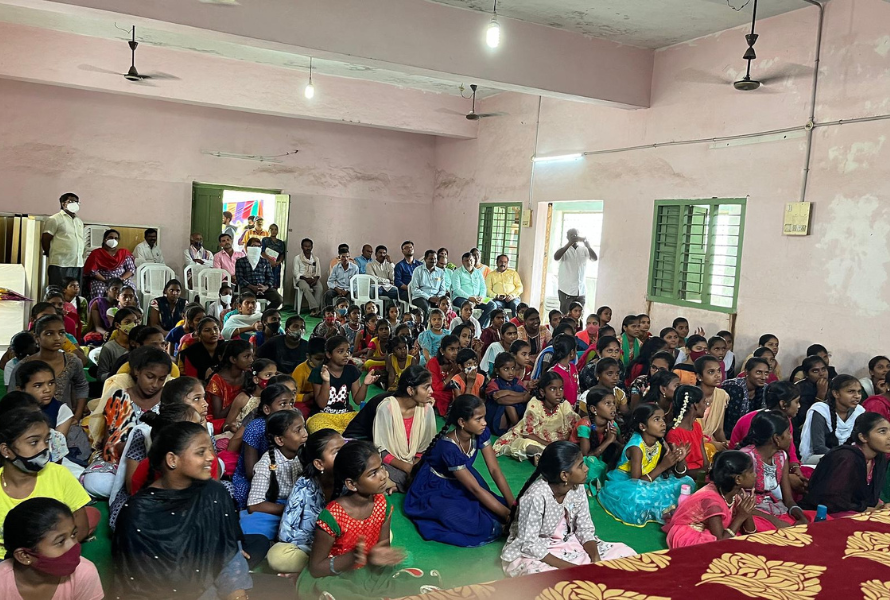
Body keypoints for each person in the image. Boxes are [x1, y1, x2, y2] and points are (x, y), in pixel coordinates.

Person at [113, 422, 251, 599]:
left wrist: (236, 594)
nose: (211, 457)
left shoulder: (215, 493)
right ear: (172, 460)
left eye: (210, 450)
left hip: (211, 588)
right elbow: (139, 584)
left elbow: (229, 553)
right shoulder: (138, 512)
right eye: (201, 452)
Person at [296, 441, 440, 599]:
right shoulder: (332, 516)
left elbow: (383, 544)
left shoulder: (382, 503)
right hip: (336, 576)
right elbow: (316, 568)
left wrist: (380, 553)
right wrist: (352, 557)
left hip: (371, 570)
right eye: (373, 473)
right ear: (352, 484)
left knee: (426, 579)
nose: (384, 475)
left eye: (381, 468)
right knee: (336, 594)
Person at [502, 441, 634, 577]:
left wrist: (596, 559)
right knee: (546, 578)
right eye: (581, 465)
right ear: (564, 475)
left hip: (569, 541)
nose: (586, 468)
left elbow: (585, 528)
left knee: (624, 554)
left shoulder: (577, 486)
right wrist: (572, 569)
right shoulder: (535, 497)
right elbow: (528, 544)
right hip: (537, 550)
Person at [405, 394, 514, 547]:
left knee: (495, 505)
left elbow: (495, 470)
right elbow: (475, 489)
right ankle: (499, 529)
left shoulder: (480, 433)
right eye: (478, 419)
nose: (484, 423)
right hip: (437, 486)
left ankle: (502, 519)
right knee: (459, 515)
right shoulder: (448, 447)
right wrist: (508, 516)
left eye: (484, 417)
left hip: (464, 476)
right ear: (462, 422)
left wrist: (513, 505)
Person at [0, 407, 97, 551]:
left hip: (54, 560)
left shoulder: (59, 475)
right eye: (33, 442)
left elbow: (81, 528)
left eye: (46, 440)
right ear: (6, 450)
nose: (43, 448)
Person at [598, 403, 695, 525]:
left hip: (651, 478)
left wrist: (680, 459)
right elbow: (636, 483)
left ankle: (666, 510)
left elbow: (680, 474)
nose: (663, 423)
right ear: (643, 426)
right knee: (638, 496)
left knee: (687, 481)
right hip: (627, 483)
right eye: (656, 419)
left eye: (663, 419)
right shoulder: (636, 448)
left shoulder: (660, 442)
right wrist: (663, 466)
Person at [270, 429, 346, 574]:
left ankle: (316, 569)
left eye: (346, 449)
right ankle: (325, 566)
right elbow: (285, 533)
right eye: (337, 452)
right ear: (319, 464)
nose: (345, 456)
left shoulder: (350, 481)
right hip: (310, 548)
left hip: (344, 545)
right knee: (277, 556)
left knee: (385, 534)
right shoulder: (304, 485)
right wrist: (318, 544)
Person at [0, 497, 103, 599]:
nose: (73, 544)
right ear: (25, 556)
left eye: (73, 534)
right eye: (60, 541)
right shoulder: (2, 583)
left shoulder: (84, 573)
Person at [802, 411, 890, 515]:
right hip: (823, 514)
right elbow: (831, 501)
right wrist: (864, 510)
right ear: (863, 437)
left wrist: (880, 506)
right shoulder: (846, 458)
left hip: (856, 513)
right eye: (882, 431)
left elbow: (868, 499)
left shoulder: (879, 458)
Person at [663, 450, 757, 548]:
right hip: (693, 536)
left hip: (719, 534)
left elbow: (751, 534)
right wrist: (741, 516)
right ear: (738, 479)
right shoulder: (712, 502)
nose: (755, 475)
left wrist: (747, 512)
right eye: (751, 472)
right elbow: (720, 542)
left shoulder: (735, 493)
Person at [242, 410, 308, 547]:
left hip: (302, 505)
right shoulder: (266, 464)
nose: (305, 434)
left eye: (304, 428)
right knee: (252, 525)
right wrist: (289, 508)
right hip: (277, 506)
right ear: (280, 440)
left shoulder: (306, 454)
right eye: (298, 430)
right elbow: (254, 505)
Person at [738, 411, 812, 530]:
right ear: (777, 438)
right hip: (750, 513)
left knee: (810, 522)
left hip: (774, 509)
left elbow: (788, 500)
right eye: (788, 433)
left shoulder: (782, 457)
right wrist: (774, 521)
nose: (791, 437)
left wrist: (801, 517)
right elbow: (738, 502)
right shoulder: (747, 457)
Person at [11, 315, 89, 424]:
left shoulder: (72, 361)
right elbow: (13, 397)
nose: (57, 338)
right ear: (37, 338)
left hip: (66, 421)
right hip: (31, 424)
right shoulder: (24, 366)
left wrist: (76, 416)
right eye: (49, 333)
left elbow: (82, 386)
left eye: (61, 333)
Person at [372, 366, 437, 492]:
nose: (431, 391)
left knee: (437, 469)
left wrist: (416, 465)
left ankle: (394, 484)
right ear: (411, 390)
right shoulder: (387, 408)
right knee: (373, 471)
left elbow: (426, 447)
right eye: (426, 387)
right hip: (390, 463)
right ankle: (401, 483)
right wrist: (408, 468)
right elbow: (381, 450)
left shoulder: (427, 410)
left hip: (416, 463)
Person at [494, 371, 578, 462]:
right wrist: (548, 445)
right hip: (536, 440)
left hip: (557, 442)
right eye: (553, 389)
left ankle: (543, 456)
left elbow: (574, 426)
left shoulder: (564, 404)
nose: (558, 393)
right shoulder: (535, 404)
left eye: (561, 388)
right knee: (527, 445)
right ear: (542, 392)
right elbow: (528, 434)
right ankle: (541, 454)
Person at [308, 336, 379, 434]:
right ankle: (343, 436)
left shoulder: (352, 370)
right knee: (317, 426)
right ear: (329, 354)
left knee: (370, 423)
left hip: (345, 414)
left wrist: (365, 384)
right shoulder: (319, 371)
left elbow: (358, 401)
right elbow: (321, 404)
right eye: (340, 351)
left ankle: (341, 436)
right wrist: (326, 381)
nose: (346, 355)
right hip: (323, 415)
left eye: (348, 351)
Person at [800, 374, 866, 464]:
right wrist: (843, 457)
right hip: (822, 458)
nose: (857, 396)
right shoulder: (820, 410)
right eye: (851, 392)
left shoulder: (860, 411)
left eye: (859, 392)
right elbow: (819, 447)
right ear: (836, 393)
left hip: (849, 457)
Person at [570, 386, 622, 495]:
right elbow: (586, 456)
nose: (613, 407)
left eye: (613, 403)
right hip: (578, 460)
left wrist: (614, 441)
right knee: (592, 465)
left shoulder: (612, 425)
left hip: (600, 459)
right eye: (608, 403)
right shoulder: (585, 425)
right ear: (594, 409)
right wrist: (608, 441)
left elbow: (621, 447)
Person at [42, 193, 85, 289]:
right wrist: (50, 252)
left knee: (75, 292)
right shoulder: (55, 219)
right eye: (71, 201)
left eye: (77, 202)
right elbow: (46, 238)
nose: (75, 204)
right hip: (60, 263)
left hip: (77, 263)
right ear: (63, 204)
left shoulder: (79, 221)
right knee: (59, 291)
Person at [665, 385, 710, 478]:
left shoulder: (696, 426)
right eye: (704, 402)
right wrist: (706, 472)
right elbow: (682, 472)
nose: (706, 406)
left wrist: (707, 470)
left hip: (702, 473)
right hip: (686, 479)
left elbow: (705, 461)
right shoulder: (674, 434)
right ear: (695, 405)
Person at [485, 352, 532, 436]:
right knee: (508, 404)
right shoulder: (493, 383)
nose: (511, 372)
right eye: (506, 369)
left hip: (516, 414)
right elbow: (501, 400)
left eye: (513, 368)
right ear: (497, 371)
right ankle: (517, 427)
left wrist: (508, 392)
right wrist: (522, 397)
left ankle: (517, 427)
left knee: (515, 393)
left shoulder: (516, 380)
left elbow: (526, 394)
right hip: (497, 420)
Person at [721, 357, 770, 438]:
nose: (763, 377)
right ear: (746, 372)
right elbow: (732, 421)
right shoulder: (733, 387)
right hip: (729, 433)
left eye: (766, 373)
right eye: (758, 372)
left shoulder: (765, 389)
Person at [553, 228, 597, 314]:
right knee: (565, 316)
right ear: (567, 237)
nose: (574, 237)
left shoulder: (584, 249)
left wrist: (588, 245)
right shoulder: (564, 250)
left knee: (579, 316)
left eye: (576, 235)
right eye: (571, 235)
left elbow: (594, 258)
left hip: (581, 291)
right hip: (566, 290)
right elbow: (556, 257)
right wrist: (570, 243)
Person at [83, 229, 135, 299]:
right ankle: (99, 309)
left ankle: (129, 309)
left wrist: (122, 279)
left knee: (130, 288)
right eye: (111, 238)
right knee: (99, 290)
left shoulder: (123, 253)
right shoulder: (96, 253)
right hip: (102, 280)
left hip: (121, 280)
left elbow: (131, 269)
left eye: (116, 238)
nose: (113, 240)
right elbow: (92, 271)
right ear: (105, 239)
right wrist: (105, 280)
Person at [452, 252, 497, 328]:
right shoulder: (457, 272)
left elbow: (483, 287)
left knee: (492, 305)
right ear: (462, 262)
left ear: (474, 261)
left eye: (471, 260)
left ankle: (479, 327)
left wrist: (481, 297)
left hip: (477, 298)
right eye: (466, 260)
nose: (469, 262)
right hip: (461, 298)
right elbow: (457, 289)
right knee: (468, 305)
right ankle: (466, 327)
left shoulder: (478, 272)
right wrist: (469, 298)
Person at [236, 238, 282, 309]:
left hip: (264, 288)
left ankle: (265, 314)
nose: (256, 248)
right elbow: (239, 278)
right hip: (248, 288)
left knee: (278, 299)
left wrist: (265, 287)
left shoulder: (265, 262)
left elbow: (270, 277)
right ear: (248, 248)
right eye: (253, 246)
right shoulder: (241, 261)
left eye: (258, 246)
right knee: (248, 299)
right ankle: (251, 316)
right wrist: (252, 287)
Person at [96, 308, 140, 381]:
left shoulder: (138, 345)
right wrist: (117, 374)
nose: (133, 325)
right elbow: (100, 375)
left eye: (135, 322)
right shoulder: (109, 348)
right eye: (127, 322)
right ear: (117, 325)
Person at [179, 317, 224, 382]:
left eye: (215, 329)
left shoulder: (227, 347)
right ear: (199, 334)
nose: (213, 332)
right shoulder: (190, 353)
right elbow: (192, 381)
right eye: (207, 330)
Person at [409, 249, 446, 318]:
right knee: (425, 307)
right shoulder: (418, 270)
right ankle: (425, 327)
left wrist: (439, 298)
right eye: (431, 258)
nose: (433, 261)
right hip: (420, 297)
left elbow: (443, 289)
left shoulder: (441, 272)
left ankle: (441, 326)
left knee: (445, 306)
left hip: (436, 298)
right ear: (425, 259)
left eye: (435, 259)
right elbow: (414, 289)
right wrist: (429, 298)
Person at [293, 238, 324, 317]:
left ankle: (315, 310)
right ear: (302, 247)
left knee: (320, 288)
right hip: (301, 279)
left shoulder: (315, 259)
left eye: (309, 246)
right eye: (305, 246)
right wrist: (306, 279)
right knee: (306, 288)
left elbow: (318, 272)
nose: (308, 248)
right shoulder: (297, 258)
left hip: (313, 278)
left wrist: (315, 279)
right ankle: (315, 309)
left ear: (312, 247)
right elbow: (295, 272)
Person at [259, 223, 286, 289]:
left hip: (276, 264)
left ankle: (275, 293)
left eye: (275, 229)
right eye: (272, 229)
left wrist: (279, 261)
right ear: (269, 231)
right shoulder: (265, 240)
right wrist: (270, 261)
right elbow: (262, 252)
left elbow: (282, 254)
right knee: (266, 280)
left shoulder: (281, 242)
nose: (274, 231)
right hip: (266, 263)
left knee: (275, 282)